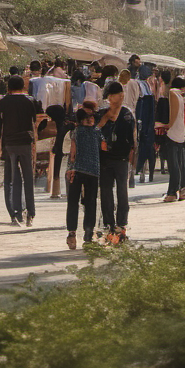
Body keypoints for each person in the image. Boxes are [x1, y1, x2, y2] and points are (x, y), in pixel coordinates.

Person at [0, 74, 40, 226]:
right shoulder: (30, 101)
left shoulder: (2, 103)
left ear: (8, 87)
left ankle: (15, 214)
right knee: (28, 178)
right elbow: (34, 125)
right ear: (23, 87)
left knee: (12, 178)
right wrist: (34, 144)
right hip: (25, 143)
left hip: (10, 143)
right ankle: (30, 214)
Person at [98, 81, 136, 243]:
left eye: (118, 95)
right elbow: (95, 132)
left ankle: (121, 225)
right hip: (105, 160)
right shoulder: (102, 113)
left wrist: (132, 161)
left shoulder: (128, 115)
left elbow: (133, 140)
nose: (116, 98)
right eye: (111, 96)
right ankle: (108, 225)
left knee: (122, 192)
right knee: (106, 193)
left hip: (121, 159)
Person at [65, 106, 103, 249]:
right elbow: (103, 148)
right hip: (90, 171)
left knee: (74, 202)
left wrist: (70, 168)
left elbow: (72, 152)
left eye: (91, 116)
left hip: (80, 170)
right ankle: (85, 233)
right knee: (89, 202)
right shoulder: (96, 132)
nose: (90, 119)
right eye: (88, 117)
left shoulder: (77, 132)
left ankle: (75, 233)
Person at [164, 76, 185, 202]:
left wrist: (167, 126)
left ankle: (172, 192)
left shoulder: (173, 93)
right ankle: (183, 190)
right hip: (181, 132)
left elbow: (173, 115)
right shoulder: (180, 96)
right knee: (181, 164)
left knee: (173, 164)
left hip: (173, 133)